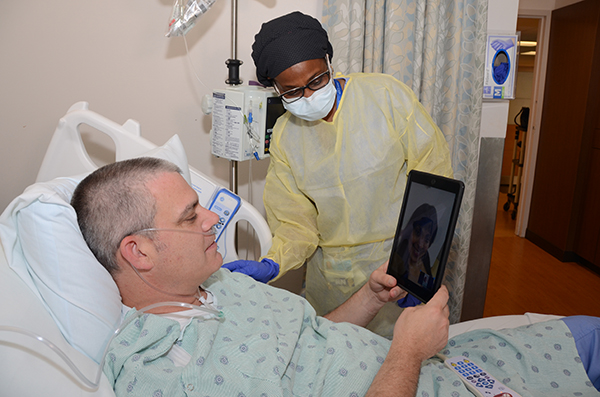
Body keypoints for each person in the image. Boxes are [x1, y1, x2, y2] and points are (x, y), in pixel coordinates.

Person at [72, 158, 600, 397]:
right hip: (412, 377)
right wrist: (408, 353)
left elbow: (304, 336)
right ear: (138, 251)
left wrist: (368, 300)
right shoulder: (171, 373)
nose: (213, 219)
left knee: (587, 335)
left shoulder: (219, 284)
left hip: (447, 367)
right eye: (191, 216)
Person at [233, 11, 454, 337]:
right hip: (333, 281)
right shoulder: (284, 136)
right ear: (273, 89)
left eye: (317, 80)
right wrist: (273, 262)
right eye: (292, 92)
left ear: (328, 62)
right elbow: (297, 225)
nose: (308, 96)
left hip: (400, 264)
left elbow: (434, 180)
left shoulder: (385, 97)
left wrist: (417, 268)